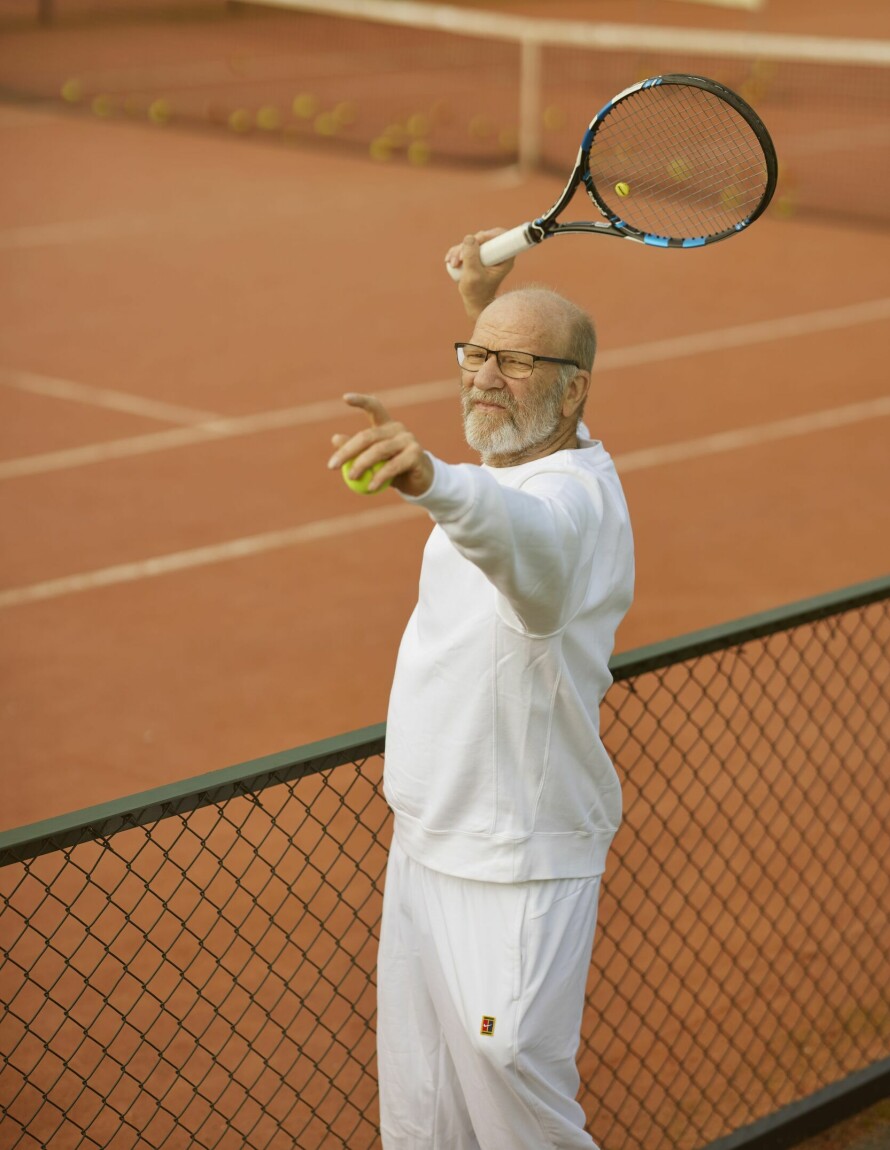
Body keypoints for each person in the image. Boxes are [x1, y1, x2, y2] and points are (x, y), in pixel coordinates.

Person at [327, 231, 635, 1149]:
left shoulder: (567, 509)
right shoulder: (529, 456)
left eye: (515, 361)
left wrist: (429, 481)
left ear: (575, 386)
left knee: (520, 1123)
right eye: (474, 356)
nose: (482, 376)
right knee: (422, 1117)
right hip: (426, 845)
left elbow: (521, 542)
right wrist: (492, 318)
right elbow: (516, 431)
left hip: (514, 869)